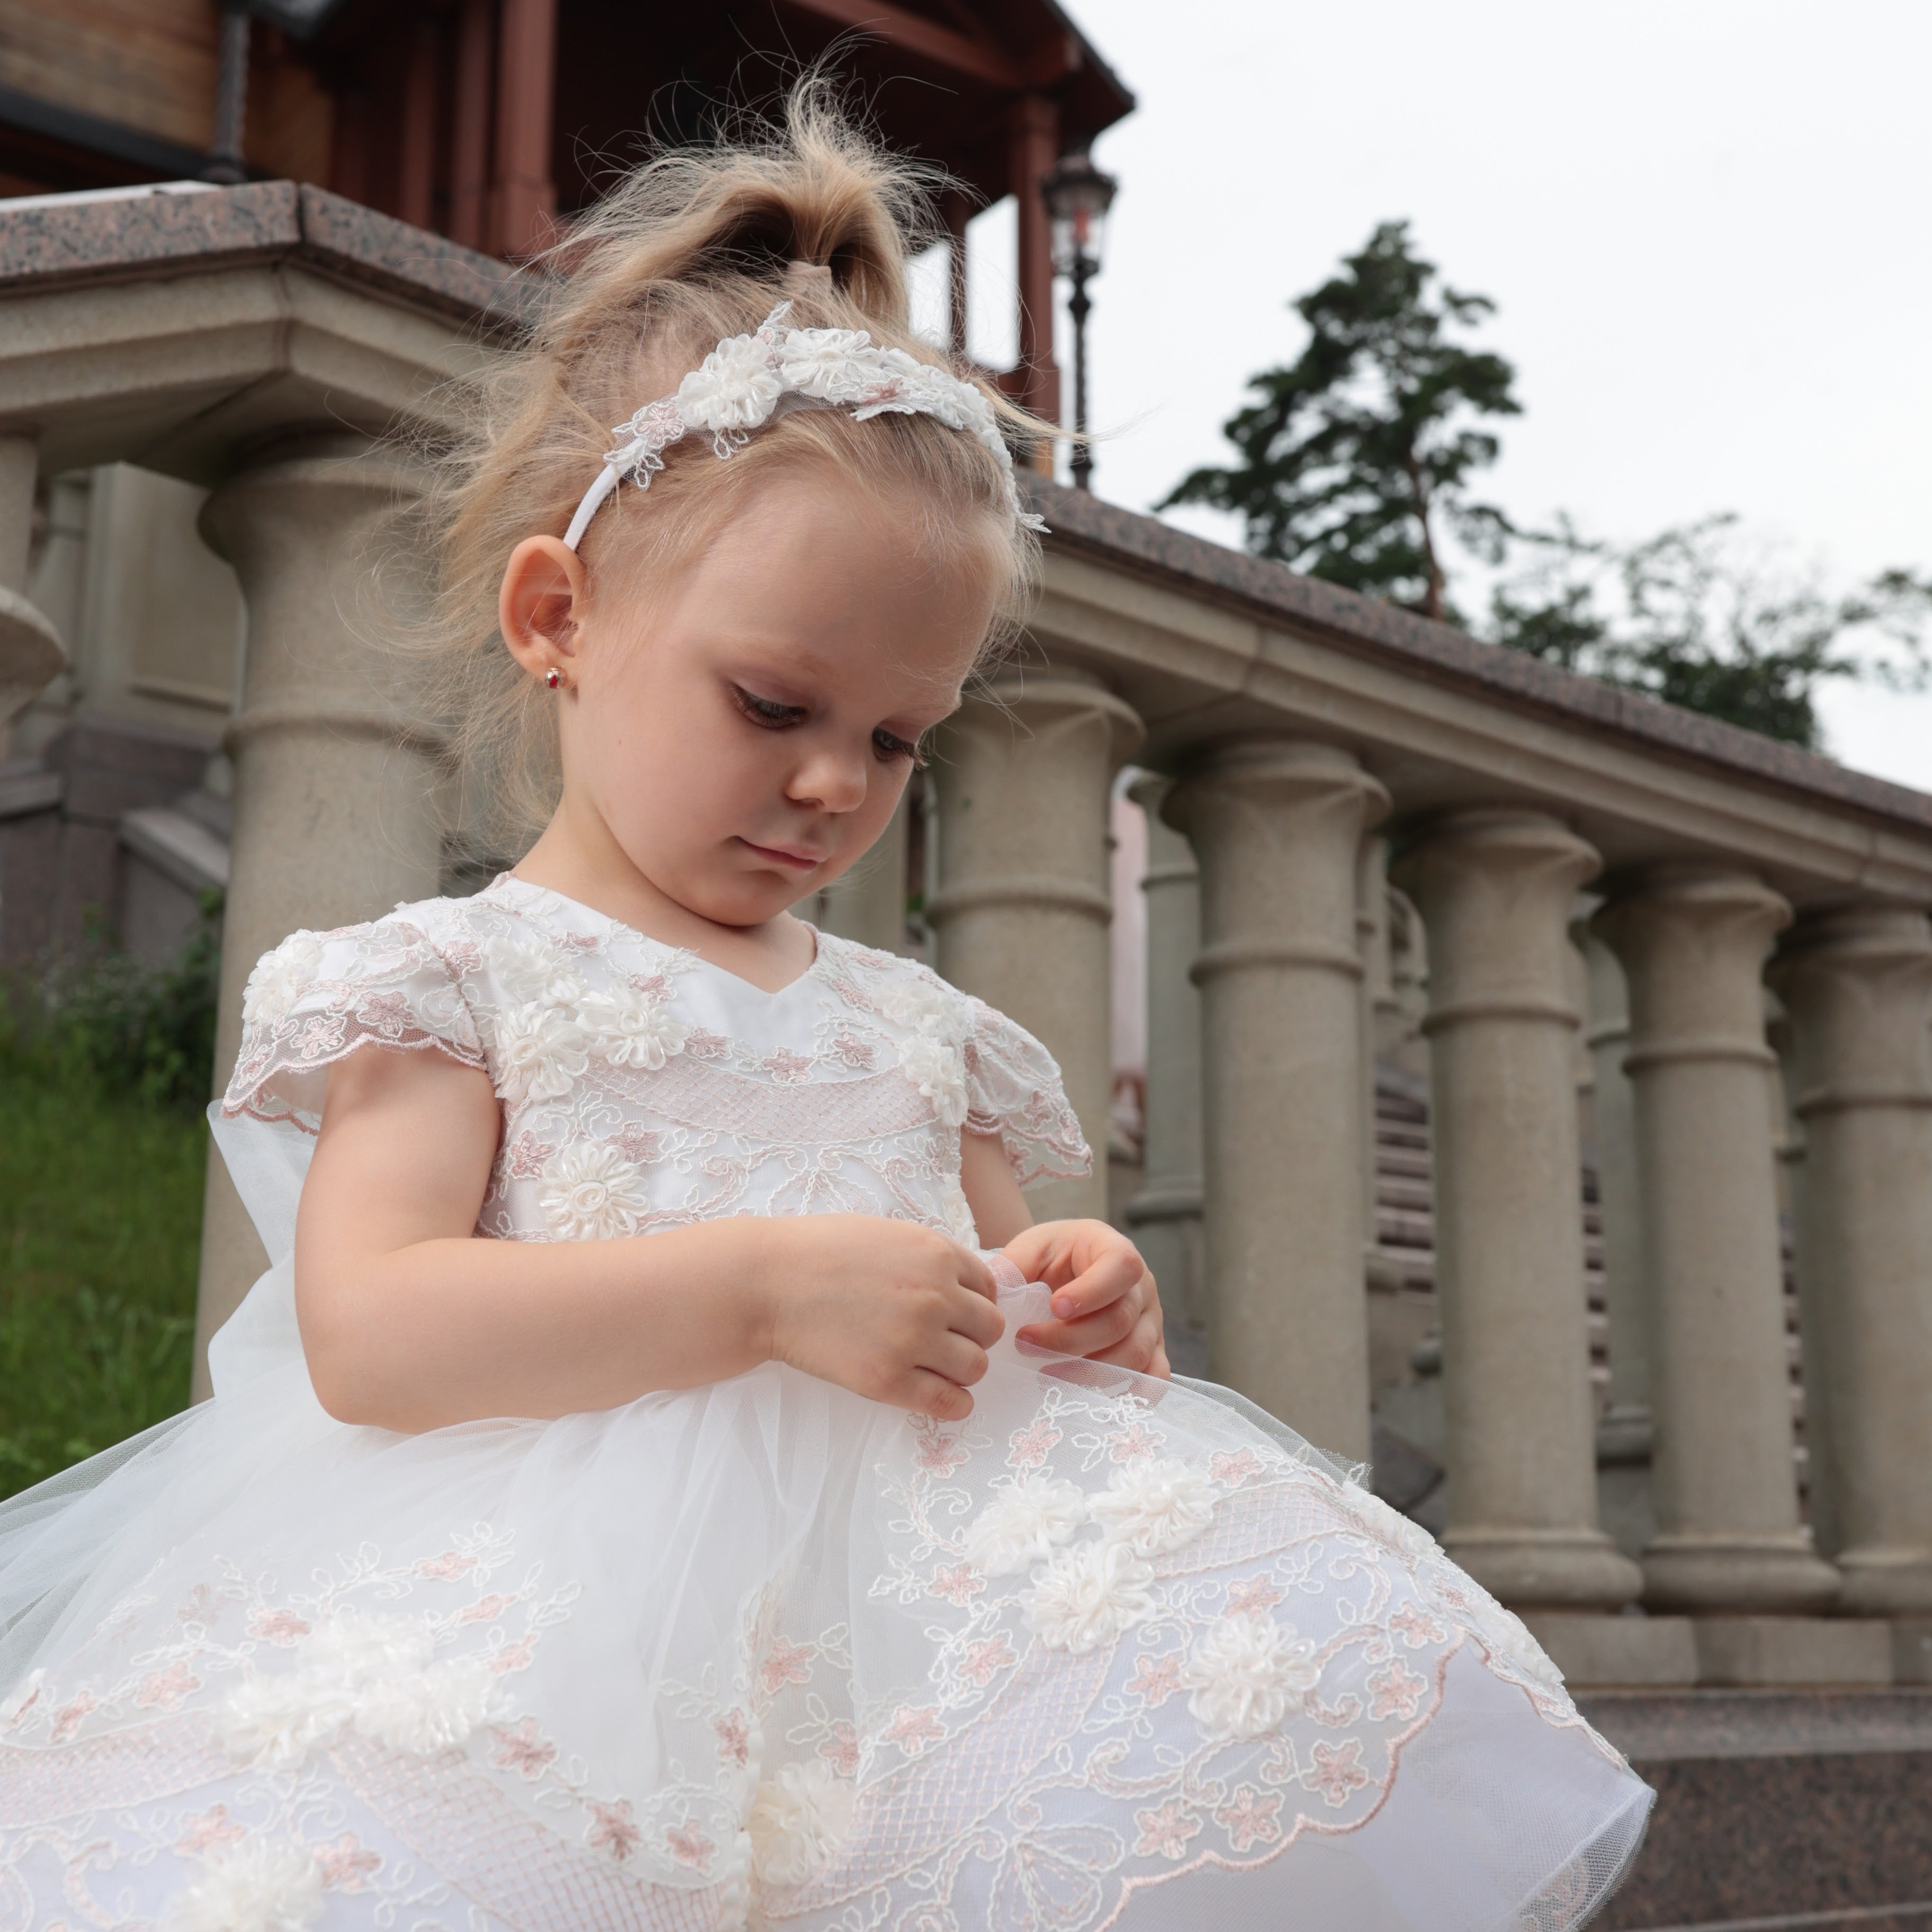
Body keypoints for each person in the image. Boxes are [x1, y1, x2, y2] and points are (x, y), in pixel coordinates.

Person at [0, 92, 1650, 1932]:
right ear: (561, 613)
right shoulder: (461, 984)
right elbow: (375, 1329)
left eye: (894, 739)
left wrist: (1078, 1288)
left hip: (908, 1660)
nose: (831, 789)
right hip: (554, 1651)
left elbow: (991, 1294)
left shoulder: (916, 1031)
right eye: (773, 706)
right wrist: (764, 1293)